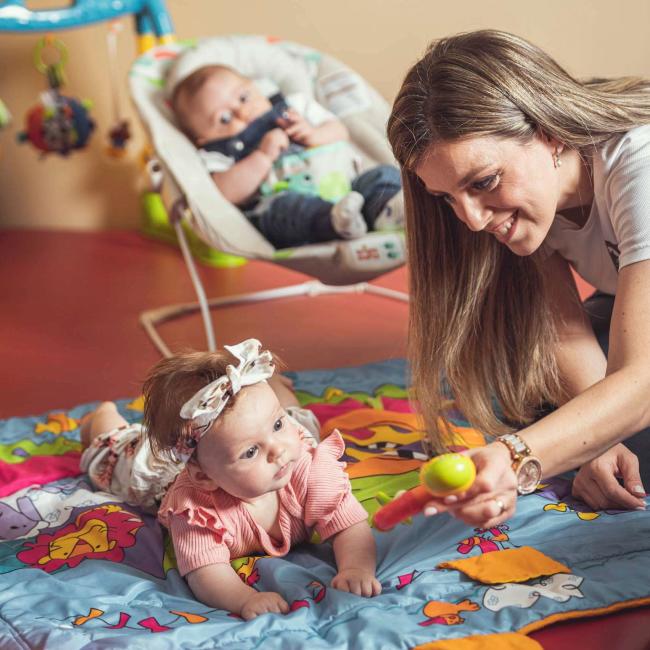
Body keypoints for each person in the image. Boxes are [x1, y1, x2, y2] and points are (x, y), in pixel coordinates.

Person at [386, 29, 650, 529]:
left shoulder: (641, 162)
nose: (472, 220)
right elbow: (565, 328)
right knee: (528, 388)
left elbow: (641, 383)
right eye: (446, 198)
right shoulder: (531, 205)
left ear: (548, 131)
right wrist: (599, 442)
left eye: (483, 183)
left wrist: (515, 458)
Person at [80, 339, 381, 620]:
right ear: (204, 476)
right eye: (250, 451)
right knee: (119, 452)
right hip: (161, 470)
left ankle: (276, 395)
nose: (276, 452)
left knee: (298, 422)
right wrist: (243, 598)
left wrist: (356, 567)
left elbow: (348, 522)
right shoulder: (196, 509)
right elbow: (205, 571)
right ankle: (102, 415)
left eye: (277, 426)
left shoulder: (305, 463)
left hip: (278, 427)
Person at [170, 64, 404, 248]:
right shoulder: (217, 151)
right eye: (224, 119)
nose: (242, 112)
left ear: (256, 87)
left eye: (243, 98)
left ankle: (390, 211)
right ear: (203, 139)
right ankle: (335, 221)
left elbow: (340, 131)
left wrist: (313, 134)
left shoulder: (294, 106)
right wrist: (262, 156)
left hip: (349, 186)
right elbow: (226, 192)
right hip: (289, 209)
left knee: (382, 175)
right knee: (284, 210)